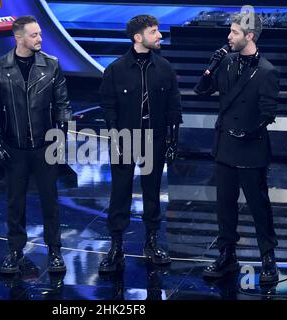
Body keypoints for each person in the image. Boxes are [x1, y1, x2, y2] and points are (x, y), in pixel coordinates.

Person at [194, 12, 280, 283]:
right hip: (226, 147)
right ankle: (227, 254)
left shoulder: (266, 71)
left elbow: (269, 112)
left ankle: (268, 257)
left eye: (234, 32)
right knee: (224, 205)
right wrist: (211, 66)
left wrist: (250, 130)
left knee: (258, 206)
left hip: (251, 148)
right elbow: (202, 90)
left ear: (249, 36)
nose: (228, 36)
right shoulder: (226, 62)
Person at [0, 15, 71, 274]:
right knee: (15, 203)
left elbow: (63, 105)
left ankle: (55, 252)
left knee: (50, 202)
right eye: (34, 35)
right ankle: (14, 251)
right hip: (14, 146)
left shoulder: (52, 65)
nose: (40, 39)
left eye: (40, 35)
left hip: (45, 146)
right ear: (19, 37)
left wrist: (61, 138)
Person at [99, 14, 182, 272]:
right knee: (120, 192)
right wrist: (114, 136)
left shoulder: (165, 68)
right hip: (125, 137)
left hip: (155, 138)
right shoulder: (115, 69)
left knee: (152, 191)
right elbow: (108, 106)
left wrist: (172, 139)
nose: (159, 35)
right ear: (138, 37)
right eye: (154, 31)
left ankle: (152, 241)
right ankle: (116, 246)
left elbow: (173, 106)